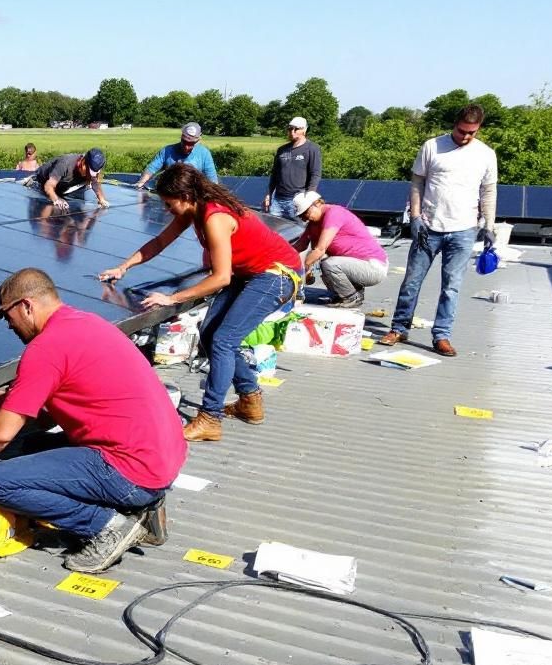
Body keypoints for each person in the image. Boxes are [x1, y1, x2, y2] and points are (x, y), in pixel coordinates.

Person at [0, 268, 185, 573]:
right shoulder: (88, 323)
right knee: (36, 445)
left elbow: (0, 437)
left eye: (8, 316)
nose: (9, 326)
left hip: (133, 469)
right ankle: (142, 506)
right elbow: (66, 396)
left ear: (26, 305)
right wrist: (4, 402)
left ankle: (107, 527)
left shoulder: (45, 347)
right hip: (162, 459)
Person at [99, 164, 301, 442]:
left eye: (169, 204)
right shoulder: (193, 210)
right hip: (250, 273)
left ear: (185, 196)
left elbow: (220, 278)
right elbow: (159, 243)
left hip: (276, 274)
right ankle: (250, 401)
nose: (168, 210)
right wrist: (124, 267)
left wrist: (171, 298)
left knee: (224, 340)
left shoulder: (214, 217)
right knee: (209, 335)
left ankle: (210, 418)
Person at [378, 104, 498, 357]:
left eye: (471, 133)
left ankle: (441, 335)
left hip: (464, 229)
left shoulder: (485, 155)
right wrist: (415, 217)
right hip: (429, 226)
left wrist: (489, 225)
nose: (465, 137)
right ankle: (399, 327)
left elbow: (488, 191)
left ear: (479, 129)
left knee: (451, 286)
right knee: (412, 280)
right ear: (454, 124)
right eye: (461, 130)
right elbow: (417, 182)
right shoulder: (432, 147)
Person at [291, 191, 386, 308]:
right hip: (355, 265)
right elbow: (301, 245)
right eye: (301, 216)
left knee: (329, 264)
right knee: (326, 263)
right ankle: (350, 294)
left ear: (317, 203)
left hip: (373, 267)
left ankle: (351, 297)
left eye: (305, 213)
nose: (304, 218)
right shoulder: (313, 224)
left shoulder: (334, 213)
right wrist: (279, 254)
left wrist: (305, 268)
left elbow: (320, 249)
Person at [263, 117, 321, 218]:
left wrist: (308, 198)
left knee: (297, 231)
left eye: (296, 129)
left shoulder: (312, 149)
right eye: (290, 129)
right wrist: (269, 194)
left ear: (304, 130)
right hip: (277, 201)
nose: (292, 132)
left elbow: (315, 174)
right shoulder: (282, 150)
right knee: (274, 231)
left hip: (298, 201)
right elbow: (274, 174)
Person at [136, 122, 217, 187]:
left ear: (198, 140)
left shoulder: (204, 153)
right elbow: (151, 169)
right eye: (184, 141)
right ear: (181, 137)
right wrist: (141, 182)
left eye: (191, 144)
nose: (186, 147)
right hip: (169, 194)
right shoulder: (167, 151)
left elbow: (212, 180)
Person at [25, 148, 110, 210]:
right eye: (88, 172)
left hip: (62, 185)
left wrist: (101, 199)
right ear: (83, 163)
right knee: (50, 205)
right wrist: (57, 199)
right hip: (41, 182)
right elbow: (48, 186)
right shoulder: (65, 164)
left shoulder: (91, 171)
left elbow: (94, 182)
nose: (89, 175)